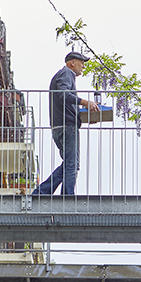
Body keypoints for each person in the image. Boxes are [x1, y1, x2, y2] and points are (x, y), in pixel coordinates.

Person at [32, 52, 101, 195]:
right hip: (67, 127)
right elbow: (63, 94)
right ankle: (67, 197)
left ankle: (43, 192)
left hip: (60, 127)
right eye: (81, 62)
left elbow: (66, 103)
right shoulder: (66, 74)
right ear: (71, 63)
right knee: (72, 164)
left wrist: (83, 117)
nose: (83, 66)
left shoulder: (63, 75)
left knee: (69, 163)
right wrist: (85, 102)